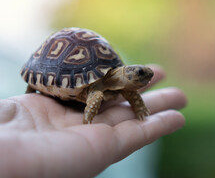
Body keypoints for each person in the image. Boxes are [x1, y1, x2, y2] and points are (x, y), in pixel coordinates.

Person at [0, 65, 187, 177]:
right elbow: (96, 92)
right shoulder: (97, 90)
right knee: (96, 94)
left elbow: (129, 91)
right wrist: (88, 117)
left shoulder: (119, 85)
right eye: (139, 74)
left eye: (146, 77)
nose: (144, 78)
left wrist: (139, 107)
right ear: (124, 73)